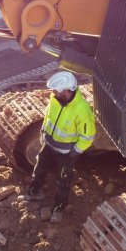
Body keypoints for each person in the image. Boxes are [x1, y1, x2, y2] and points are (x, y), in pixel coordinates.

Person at [27, 70, 96, 222]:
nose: (53, 93)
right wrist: (43, 132)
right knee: (39, 168)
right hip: (49, 144)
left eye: (56, 91)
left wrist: (74, 152)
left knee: (63, 180)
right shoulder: (55, 99)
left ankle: (59, 208)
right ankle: (34, 192)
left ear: (66, 91)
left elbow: (88, 137)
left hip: (66, 153)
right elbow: (48, 116)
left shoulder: (82, 110)